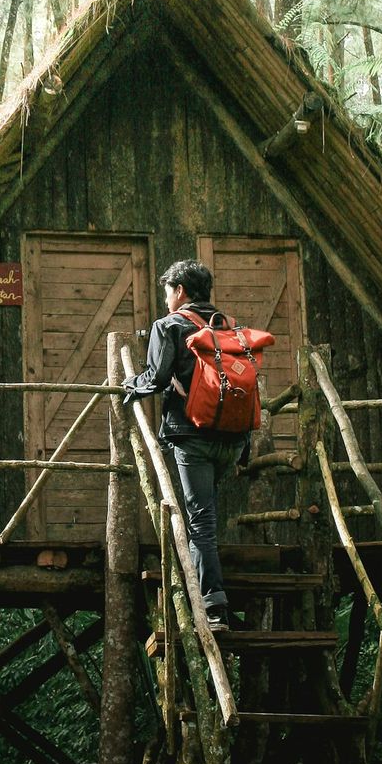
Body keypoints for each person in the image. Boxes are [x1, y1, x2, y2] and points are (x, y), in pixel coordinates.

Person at [123, 259, 248, 629]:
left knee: (201, 524)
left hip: (192, 439)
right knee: (206, 515)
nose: (165, 300)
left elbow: (155, 377)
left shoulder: (170, 326)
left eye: (167, 292)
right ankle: (214, 598)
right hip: (233, 442)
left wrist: (129, 384)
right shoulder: (229, 330)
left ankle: (212, 609)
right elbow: (245, 390)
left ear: (180, 291)